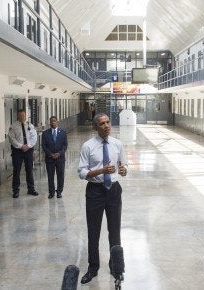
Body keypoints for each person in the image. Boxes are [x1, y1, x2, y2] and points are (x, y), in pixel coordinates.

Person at [77, 113, 127, 284]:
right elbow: (82, 172)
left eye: (108, 122)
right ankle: (93, 268)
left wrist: (123, 170)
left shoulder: (117, 144)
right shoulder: (88, 146)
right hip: (95, 191)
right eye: (102, 124)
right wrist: (101, 171)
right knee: (93, 231)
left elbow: (124, 164)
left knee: (114, 230)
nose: (106, 126)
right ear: (94, 127)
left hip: (113, 190)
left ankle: (116, 267)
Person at [8, 109, 38, 198]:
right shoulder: (13, 127)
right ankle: (16, 190)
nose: (22, 117)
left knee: (29, 170)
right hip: (17, 151)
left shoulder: (30, 125)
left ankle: (31, 189)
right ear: (17, 116)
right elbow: (12, 139)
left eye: (23, 115)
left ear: (25, 115)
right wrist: (21, 146)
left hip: (28, 150)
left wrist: (28, 146)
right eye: (20, 115)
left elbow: (34, 137)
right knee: (16, 171)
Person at [41, 115, 68, 199]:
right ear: (50, 123)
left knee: (60, 175)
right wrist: (50, 154)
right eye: (51, 121)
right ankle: (51, 192)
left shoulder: (63, 132)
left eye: (54, 121)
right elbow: (44, 146)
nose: (53, 122)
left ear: (57, 122)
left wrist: (59, 153)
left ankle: (59, 192)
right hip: (50, 159)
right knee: (50, 176)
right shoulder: (45, 133)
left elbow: (65, 145)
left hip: (60, 158)